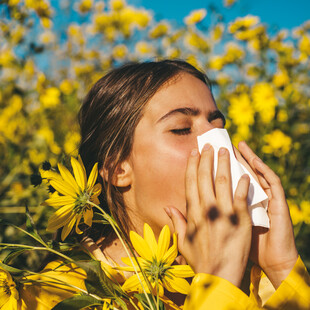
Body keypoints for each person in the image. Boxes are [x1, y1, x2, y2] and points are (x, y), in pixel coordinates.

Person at [20, 60, 310, 309]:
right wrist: (218, 283)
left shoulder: (257, 281)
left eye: (220, 128)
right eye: (182, 129)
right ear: (117, 167)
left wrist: (282, 268)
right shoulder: (59, 294)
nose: (219, 147)